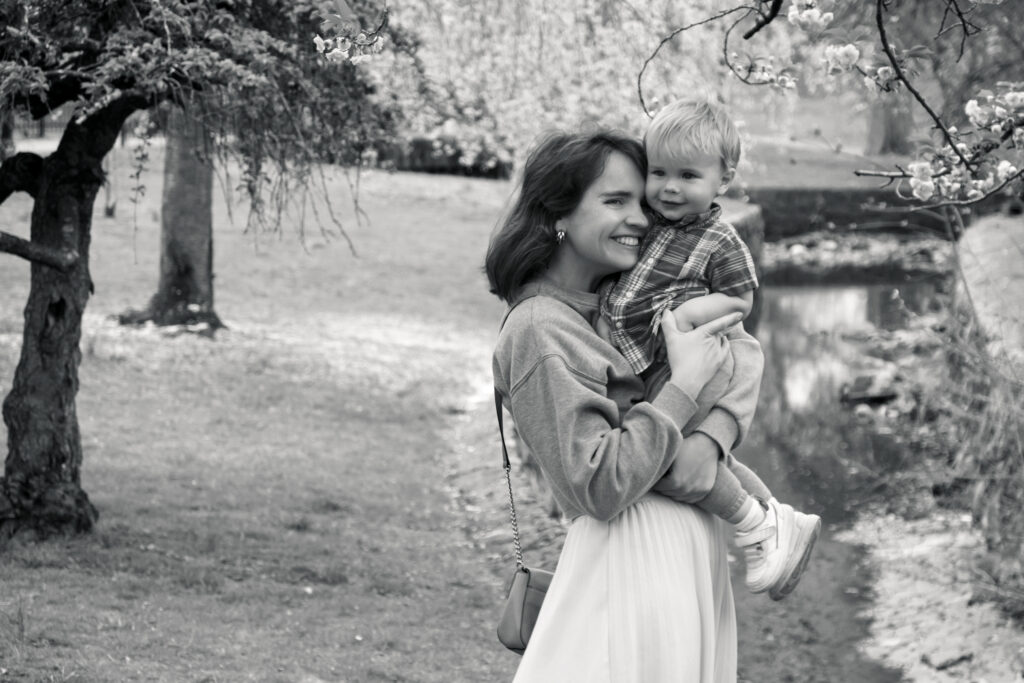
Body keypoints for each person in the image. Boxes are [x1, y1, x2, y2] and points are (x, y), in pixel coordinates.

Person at [486, 130, 760, 682]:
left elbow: (741, 348)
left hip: (681, 555)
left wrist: (714, 436)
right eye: (615, 201)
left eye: (641, 201)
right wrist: (682, 393)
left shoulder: (621, 311)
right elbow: (599, 484)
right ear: (557, 213)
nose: (640, 218)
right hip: (633, 560)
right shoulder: (542, 328)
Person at [599, 97, 820, 600]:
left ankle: (754, 526)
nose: (670, 187)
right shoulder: (647, 223)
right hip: (655, 367)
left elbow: (741, 299)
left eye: (687, 176)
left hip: (694, 359)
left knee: (670, 458)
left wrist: (688, 316)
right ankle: (772, 520)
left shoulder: (720, 239)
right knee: (674, 450)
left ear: (723, 179)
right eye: (658, 172)